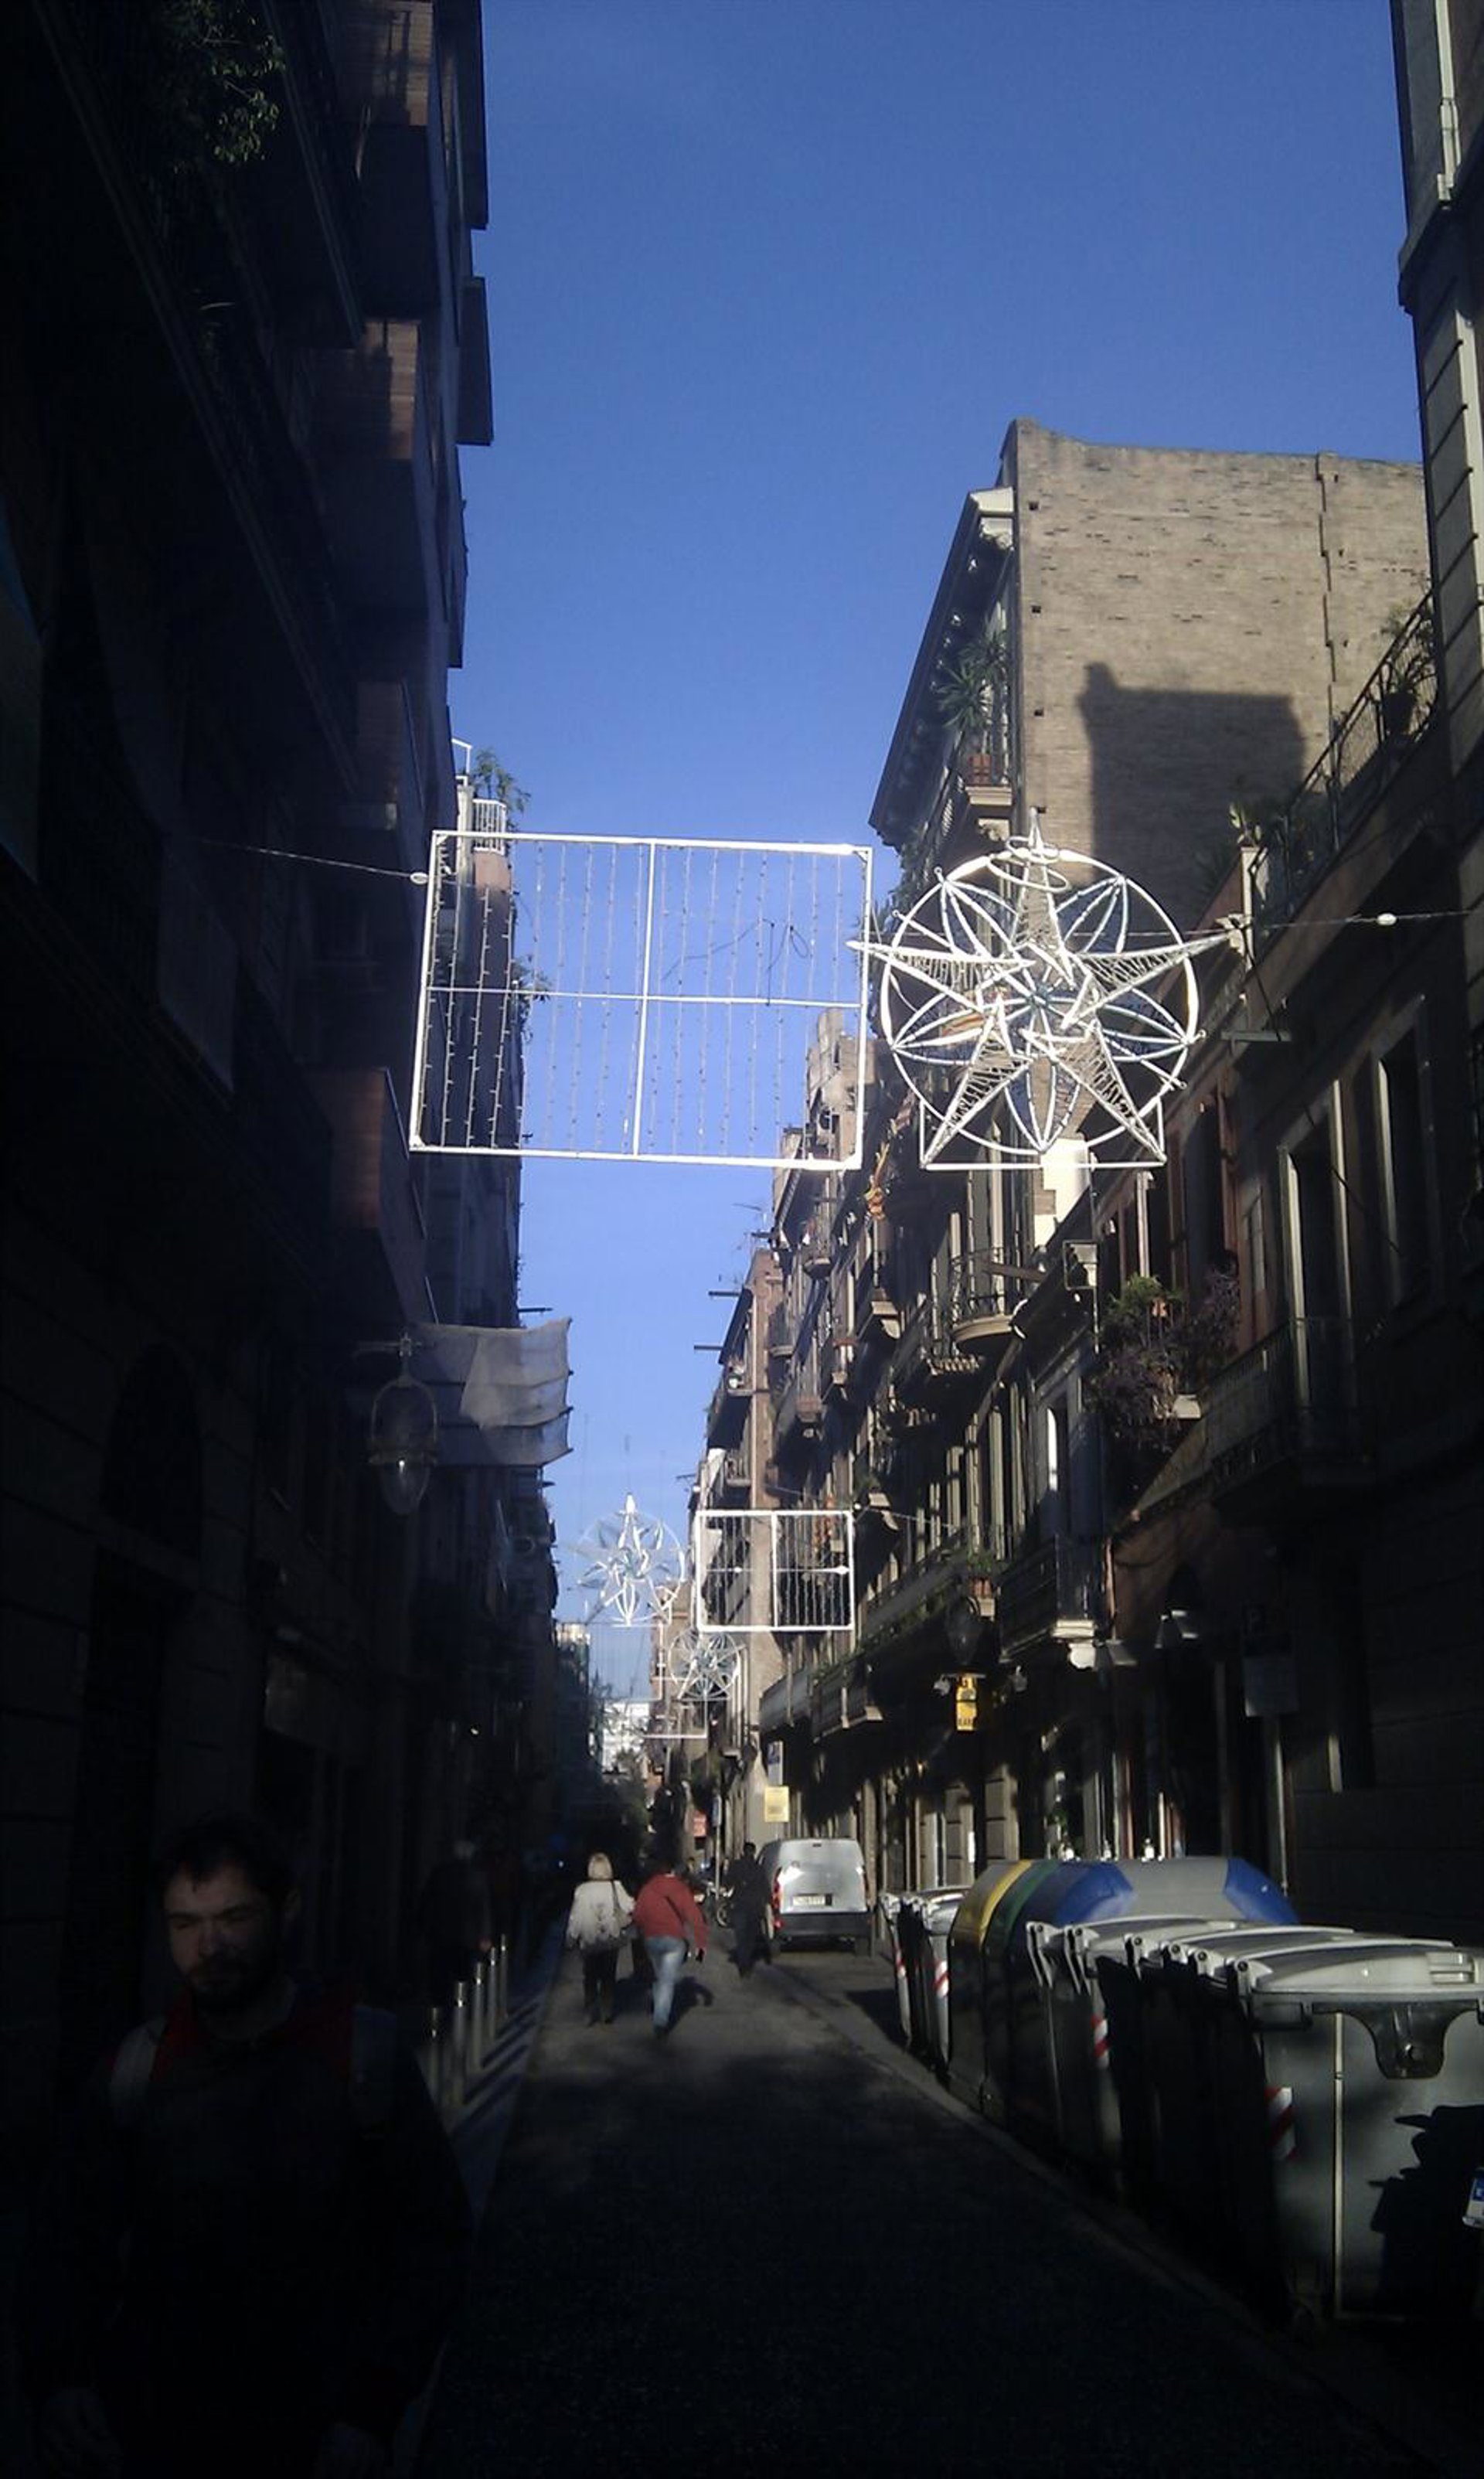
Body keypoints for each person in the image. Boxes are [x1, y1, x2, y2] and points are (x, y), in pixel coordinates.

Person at [24, 1812, 472, 2478]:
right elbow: (67, 2236)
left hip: (318, 2434)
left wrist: (372, 2409)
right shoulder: (137, 2068)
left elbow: (433, 2239)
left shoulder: (360, 2055)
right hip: (155, 2430)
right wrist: (62, 2379)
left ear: (284, 1910)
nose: (208, 1945)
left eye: (233, 1917)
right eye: (185, 1923)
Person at [631, 1860, 706, 2038]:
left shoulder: (648, 1888)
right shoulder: (681, 1889)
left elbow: (638, 1915)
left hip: (651, 1939)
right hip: (674, 1940)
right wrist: (701, 1945)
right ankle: (660, 2021)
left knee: (659, 1977)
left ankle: (659, 2007)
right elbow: (696, 1918)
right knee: (666, 1980)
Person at [415, 1838, 493, 2008]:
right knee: (461, 1975)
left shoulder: (440, 1874)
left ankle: (440, 2008)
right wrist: (484, 1936)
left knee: (440, 1975)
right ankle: (458, 2009)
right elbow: (483, 1909)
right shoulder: (476, 1877)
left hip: (441, 1934)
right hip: (465, 1937)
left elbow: (426, 1902)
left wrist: (423, 1928)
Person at [564, 1852, 635, 2024]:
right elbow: (630, 1906)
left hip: (589, 1940)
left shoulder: (582, 1890)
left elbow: (576, 1917)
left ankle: (589, 2010)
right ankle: (606, 2010)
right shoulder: (616, 1887)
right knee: (608, 1976)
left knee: (589, 1976)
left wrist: (571, 1937)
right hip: (611, 1938)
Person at [724, 1839, 768, 1977]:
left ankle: (743, 1965)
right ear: (754, 1852)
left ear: (743, 1852)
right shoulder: (758, 1869)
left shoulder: (736, 1866)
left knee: (741, 1937)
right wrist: (769, 1902)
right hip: (754, 1907)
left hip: (739, 1906)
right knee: (750, 1937)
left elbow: (728, 1882)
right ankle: (747, 1963)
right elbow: (765, 1887)